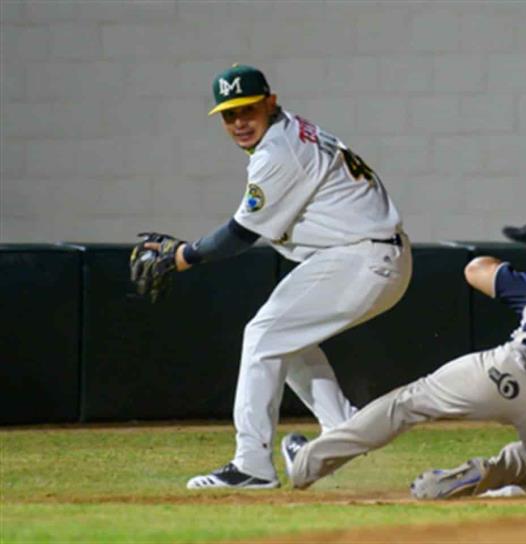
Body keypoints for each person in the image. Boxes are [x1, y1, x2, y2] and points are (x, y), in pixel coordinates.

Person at [143, 64, 412, 489]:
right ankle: (343, 430)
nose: (239, 122)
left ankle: (252, 464)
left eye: (248, 109)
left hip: (360, 257)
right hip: (364, 255)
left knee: (264, 336)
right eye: (229, 115)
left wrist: (182, 256)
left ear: (270, 101)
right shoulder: (289, 132)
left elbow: (240, 234)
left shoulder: (279, 151)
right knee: (286, 340)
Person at [280, 256, 526, 498]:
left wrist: (504, 272)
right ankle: (483, 475)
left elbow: (474, 270)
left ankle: (306, 465)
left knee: (408, 404)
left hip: (516, 367)